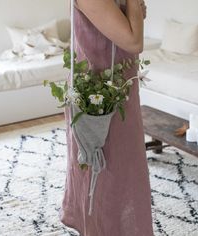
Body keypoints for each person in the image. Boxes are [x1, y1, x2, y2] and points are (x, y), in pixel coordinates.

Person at [60, 0, 154, 235]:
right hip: (99, 100)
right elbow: (134, 42)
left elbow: (132, 28)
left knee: (122, 172)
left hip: (118, 92)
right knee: (105, 174)